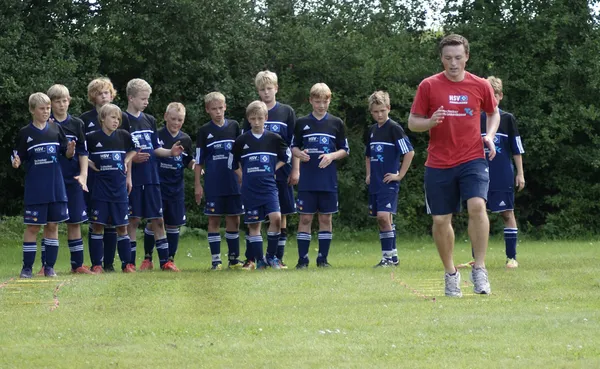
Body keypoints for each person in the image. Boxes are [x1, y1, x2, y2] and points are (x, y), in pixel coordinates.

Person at [408, 34, 500, 297]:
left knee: (477, 205)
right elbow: (413, 122)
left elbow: (493, 113)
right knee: (440, 219)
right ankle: (451, 274)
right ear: (441, 58)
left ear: (467, 57)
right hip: (439, 162)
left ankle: (479, 268)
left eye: (458, 58)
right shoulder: (428, 86)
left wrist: (489, 137)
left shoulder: (481, 85)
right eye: (448, 58)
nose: (453, 63)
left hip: (472, 157)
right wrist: (429, 122)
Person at [457, 77, 525, 269]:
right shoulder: (473, 117)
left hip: (501, 173)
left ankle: (511, 257)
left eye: (495, 95)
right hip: (477, 173)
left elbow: (516, 149)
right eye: (488, 95)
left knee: (506, 213)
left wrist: (520, 173)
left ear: (500, 96)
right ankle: (476, 259)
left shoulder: (507, 119)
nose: (491, 99)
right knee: (476, 213)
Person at [12, 92, 76, 278]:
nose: (46, 111)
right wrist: (15, 161)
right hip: (36, 188)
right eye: (42, 108)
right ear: (32, 110)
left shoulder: (56, 129)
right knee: (32, 227)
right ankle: (27, 268)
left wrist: (70, 151)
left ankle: (49, 267)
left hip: (56, 187)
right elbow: (17, 155)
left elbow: (67, 153)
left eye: (48, 108)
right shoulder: (26, 133)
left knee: (53, 226)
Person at [124, 78, 183, 272]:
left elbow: (156, 148)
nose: (146, 102)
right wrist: (132, 159)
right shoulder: (122, 119)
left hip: (151, 177)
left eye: (148, 98)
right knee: (133, 220)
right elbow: (120, 150)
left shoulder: (149, 119)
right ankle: (129, 262)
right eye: (143, 98)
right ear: (131, 98)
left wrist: (170, 152)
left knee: (158, 220)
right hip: (133, 178)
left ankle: (165, 261)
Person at [291, 83, 349, 269]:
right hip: (308, 179)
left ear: (329, 100)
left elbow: (345, 150)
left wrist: (331, 156)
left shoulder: (336, 123)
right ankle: (303, 260)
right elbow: (293, 147)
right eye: (317, 102)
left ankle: (323, 259)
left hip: (327, 180)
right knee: (305, 218)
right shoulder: (301, 122)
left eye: (325, 102)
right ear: (310, 101)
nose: (321, 105)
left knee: (326, 219)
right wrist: (299, 154)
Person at [246, 70, 298, 268]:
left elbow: (294, 144)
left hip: (281, 170)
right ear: (258, 91)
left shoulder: (287, 112)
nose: (266, 92)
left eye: (269, 88)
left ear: (276, 88)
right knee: (255, 216)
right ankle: (253, 259)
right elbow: (245, 143)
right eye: (262, 89)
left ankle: (277, 256)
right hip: (257, 173)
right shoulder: (253, 111)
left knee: (281, 214)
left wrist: (295, 170)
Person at [231, 101, 288, 270]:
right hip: (250, 189)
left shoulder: (274, 139)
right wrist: (244, 177)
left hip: (269, 187)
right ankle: (260, 260)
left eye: (260, 118)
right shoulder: (242, 140)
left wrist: (272, 169)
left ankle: (271, 256)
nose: (256, 122)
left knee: (276, 218)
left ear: (266, 118)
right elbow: (232, 163)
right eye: (253, 118)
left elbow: (287, 157)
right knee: (254, 225)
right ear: (248, 119)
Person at [80, 77, 129, 271]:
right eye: (99, 93)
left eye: (106, 92)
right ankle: (97, 264)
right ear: (93, 97)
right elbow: (82, 152)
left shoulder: (119, 118)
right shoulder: (85, 120)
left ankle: (112, 263)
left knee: (116, 224)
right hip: (96, 180)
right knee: (98, 221)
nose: (103, 96)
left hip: (117, 179)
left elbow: (125, 150)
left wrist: (128, 173)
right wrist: (88, 167)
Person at [47, 84, 94, 274]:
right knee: (52, 222)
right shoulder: (46, 123)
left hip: (73, 177)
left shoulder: (77, 124)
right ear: (50, 103)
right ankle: (47, 265)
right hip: (52, 178)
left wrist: (84, 175)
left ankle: (78, 265)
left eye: (64, 100)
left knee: (75, 221)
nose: (61, 104)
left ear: (70, 101)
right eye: (57, 101)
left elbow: (83, 152)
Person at [194, 92, 244, 270]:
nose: (218, 112)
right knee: (213, 219)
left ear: (225, 107)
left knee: (234, 219)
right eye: (213, 109)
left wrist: (242, 176)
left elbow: (241, 154)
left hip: (233, 181)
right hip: (214, 182)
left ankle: (233, 259)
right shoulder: (204, 131)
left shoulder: (234, 126)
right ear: (208, 110)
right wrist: (198, 185)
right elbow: (199, 160)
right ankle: (216, 260)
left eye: (220, 108)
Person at [365, 91, 414, 267]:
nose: (379, 115)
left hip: (388, 181)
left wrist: (399, 175)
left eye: (382, 111)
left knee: (383, 217)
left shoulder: (394, 129)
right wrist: (369, 174)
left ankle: (387, 258)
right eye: (375, 111)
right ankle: (393, 257)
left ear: (388, 109)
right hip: (376, 181)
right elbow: (369, 156)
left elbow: (409, 152)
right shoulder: (372, 131)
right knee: (384, 219)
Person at [86, 104, 138, 273]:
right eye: (113, 117)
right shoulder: (92, 137)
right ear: (102, 118)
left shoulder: (123, 136)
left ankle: (126, 264)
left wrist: (125, 160)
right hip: (100, 189)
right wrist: (89, 163)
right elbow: (81, 153)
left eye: (118, 119)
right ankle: (97, 265)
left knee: (122, 226)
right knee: (97, 226)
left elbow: (136, 148)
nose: (116, 121)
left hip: (119, 190)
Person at [143, 103, 195, 267]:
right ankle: (147, 258)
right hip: (158, 185)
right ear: (165, 117)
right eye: (173, 119)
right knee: (154, 222)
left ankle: (170, 260)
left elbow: (188, 159)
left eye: (180, 120)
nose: (176, 122)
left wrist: (194, 166)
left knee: (173, 223)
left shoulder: (185, 139)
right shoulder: (157, 135)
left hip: (176, 188)